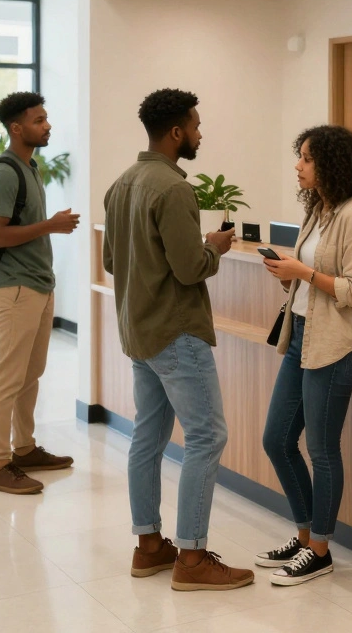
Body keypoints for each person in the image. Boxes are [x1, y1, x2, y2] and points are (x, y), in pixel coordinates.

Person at [103, 88, 253, 592]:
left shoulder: (122, 184)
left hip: (140, 331)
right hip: (177, 331)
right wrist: (214, 247)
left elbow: (110, 261)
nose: (199, 133)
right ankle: (191, 557)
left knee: (148, 436)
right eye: (195, 125)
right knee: (207, 436)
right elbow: (190, 269)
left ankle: (149, 547)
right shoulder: (172, 189)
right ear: (176, 132)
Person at [258, 125, 352, 586]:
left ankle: (322, 549)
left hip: (338, 344)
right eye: (300, 157)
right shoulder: (319, 210)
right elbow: (313, 278)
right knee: (276, 439)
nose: (298, 165)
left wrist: (303, 272)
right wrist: (289, 276)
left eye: (307, 158)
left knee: (322, 450)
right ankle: (306, 536)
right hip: (304, 337)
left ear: (330, 163)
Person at [0, 92, 79, 495]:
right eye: (39, 120)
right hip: (15, 288)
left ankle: (23, 449)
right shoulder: (5, 172)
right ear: (16, 128)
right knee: (8, 376)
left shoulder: (31, 166)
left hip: (37, 284)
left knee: (30, 375)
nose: (47, 125)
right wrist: (49, 226)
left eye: (46, 119)